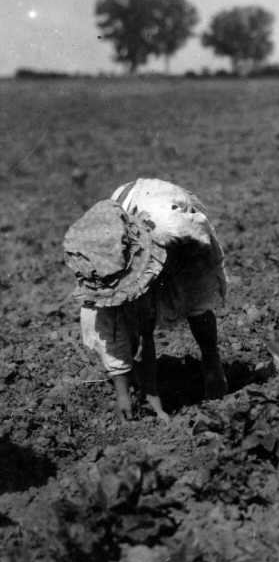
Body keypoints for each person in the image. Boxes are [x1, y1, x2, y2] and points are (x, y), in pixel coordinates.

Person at [63, 179, 228, 422]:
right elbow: (110, 330)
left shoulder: (175, 227)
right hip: (131, 212)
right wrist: (123, 394)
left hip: (180, 229)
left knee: (194, 296)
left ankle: (212, 366)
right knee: (139, 319)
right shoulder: (98, 265)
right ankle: (152, 396)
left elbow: (203, 255)